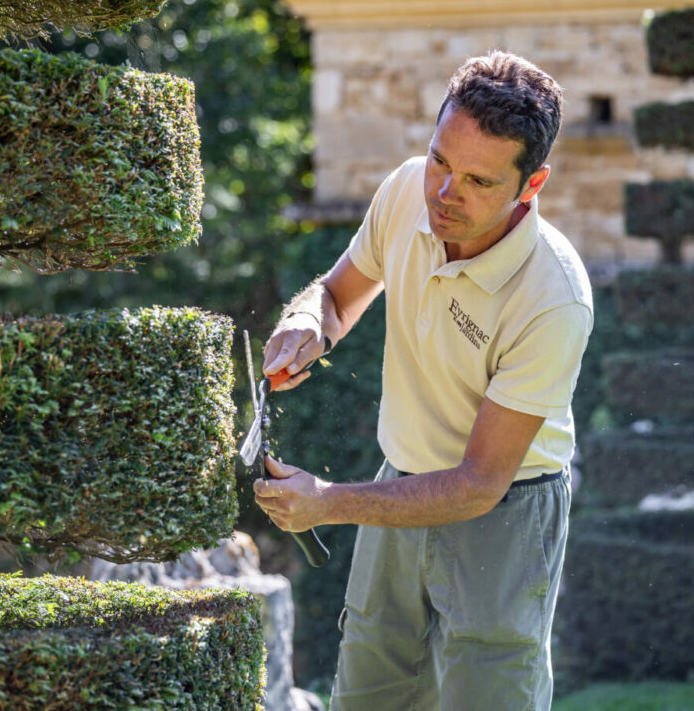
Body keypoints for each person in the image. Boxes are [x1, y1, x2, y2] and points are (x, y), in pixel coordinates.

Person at [253, 51, 593, 711]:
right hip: (398, 484)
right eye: (440, 159)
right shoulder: (407, 189)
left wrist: (328, 501)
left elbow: (477, 484)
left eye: (477, 181)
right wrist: (306, 324)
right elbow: (338, 294)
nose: (444, 192)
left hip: (507, 514)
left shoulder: (555, 298)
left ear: (531, 184)